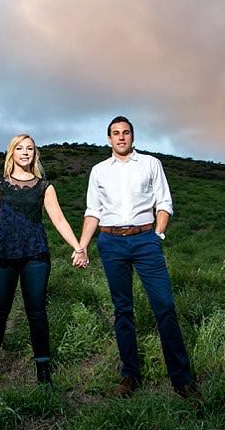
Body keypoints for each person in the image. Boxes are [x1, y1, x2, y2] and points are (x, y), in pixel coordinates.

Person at [78, 116, 197, 398]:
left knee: (164, 306)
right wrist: (82, 245)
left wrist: (157, 234)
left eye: (126, 132)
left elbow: (164, 202)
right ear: (108, 139)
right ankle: (130, 375)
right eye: (116, 133)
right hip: (110, 243)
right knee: (123, 309)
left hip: (146, 241)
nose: (121, 137)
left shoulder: (150, 164)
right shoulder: (98, 171)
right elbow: (92, 211)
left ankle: (181, 379)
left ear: (133, 136)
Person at [0, 134, 88, 397]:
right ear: (12, 153)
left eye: (30, 149)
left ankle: (43, 371)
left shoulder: (44, 187)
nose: (25, 153)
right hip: (2, 255)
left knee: (36, 313)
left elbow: (59, 220)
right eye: (20, 148)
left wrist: (78, 246)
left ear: (35, 154)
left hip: (35, 256)